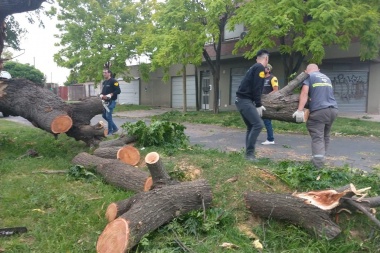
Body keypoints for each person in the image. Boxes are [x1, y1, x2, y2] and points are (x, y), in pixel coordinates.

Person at [292, 63, 338, 169]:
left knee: (317, 137)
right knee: (325, 136)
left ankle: (318, 165)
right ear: (318, 70)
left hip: (319, 111)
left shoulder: (309, 76)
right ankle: (320, 158)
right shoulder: (326, 78)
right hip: (333, 110)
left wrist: (300, 110)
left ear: (306, 71)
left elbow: (304, 93)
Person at [235, 49, 269, 161]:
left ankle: (248, 154)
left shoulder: (253, 67)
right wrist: (258, 104)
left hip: (240, 100)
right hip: (245, 100)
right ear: (266, 59)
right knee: (258, 125)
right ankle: (250, 155)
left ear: (257, 58)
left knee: (251, 127)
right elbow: (257, 87)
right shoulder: (260, 68)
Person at [261, 64, 279, 145]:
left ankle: (270, 139)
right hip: (260, 101)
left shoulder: (272, 78)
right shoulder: (261, 79)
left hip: (268, 102)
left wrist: (267, 97)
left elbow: (276, 90)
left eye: (264, 68)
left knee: (266, 120)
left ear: (268, 70)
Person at [100, 69, 121, 135]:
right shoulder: (104, 82)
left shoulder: (114, 81)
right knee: (104, 115)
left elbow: (118, 91)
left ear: (109, 73)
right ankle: (115, 128)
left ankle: (110, 132)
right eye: (103, 73)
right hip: (105, 102)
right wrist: (101, 95)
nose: (104, 74)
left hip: (111, 101)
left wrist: (110, 95)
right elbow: (102, 92)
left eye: (105, 73)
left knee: (108, 116)